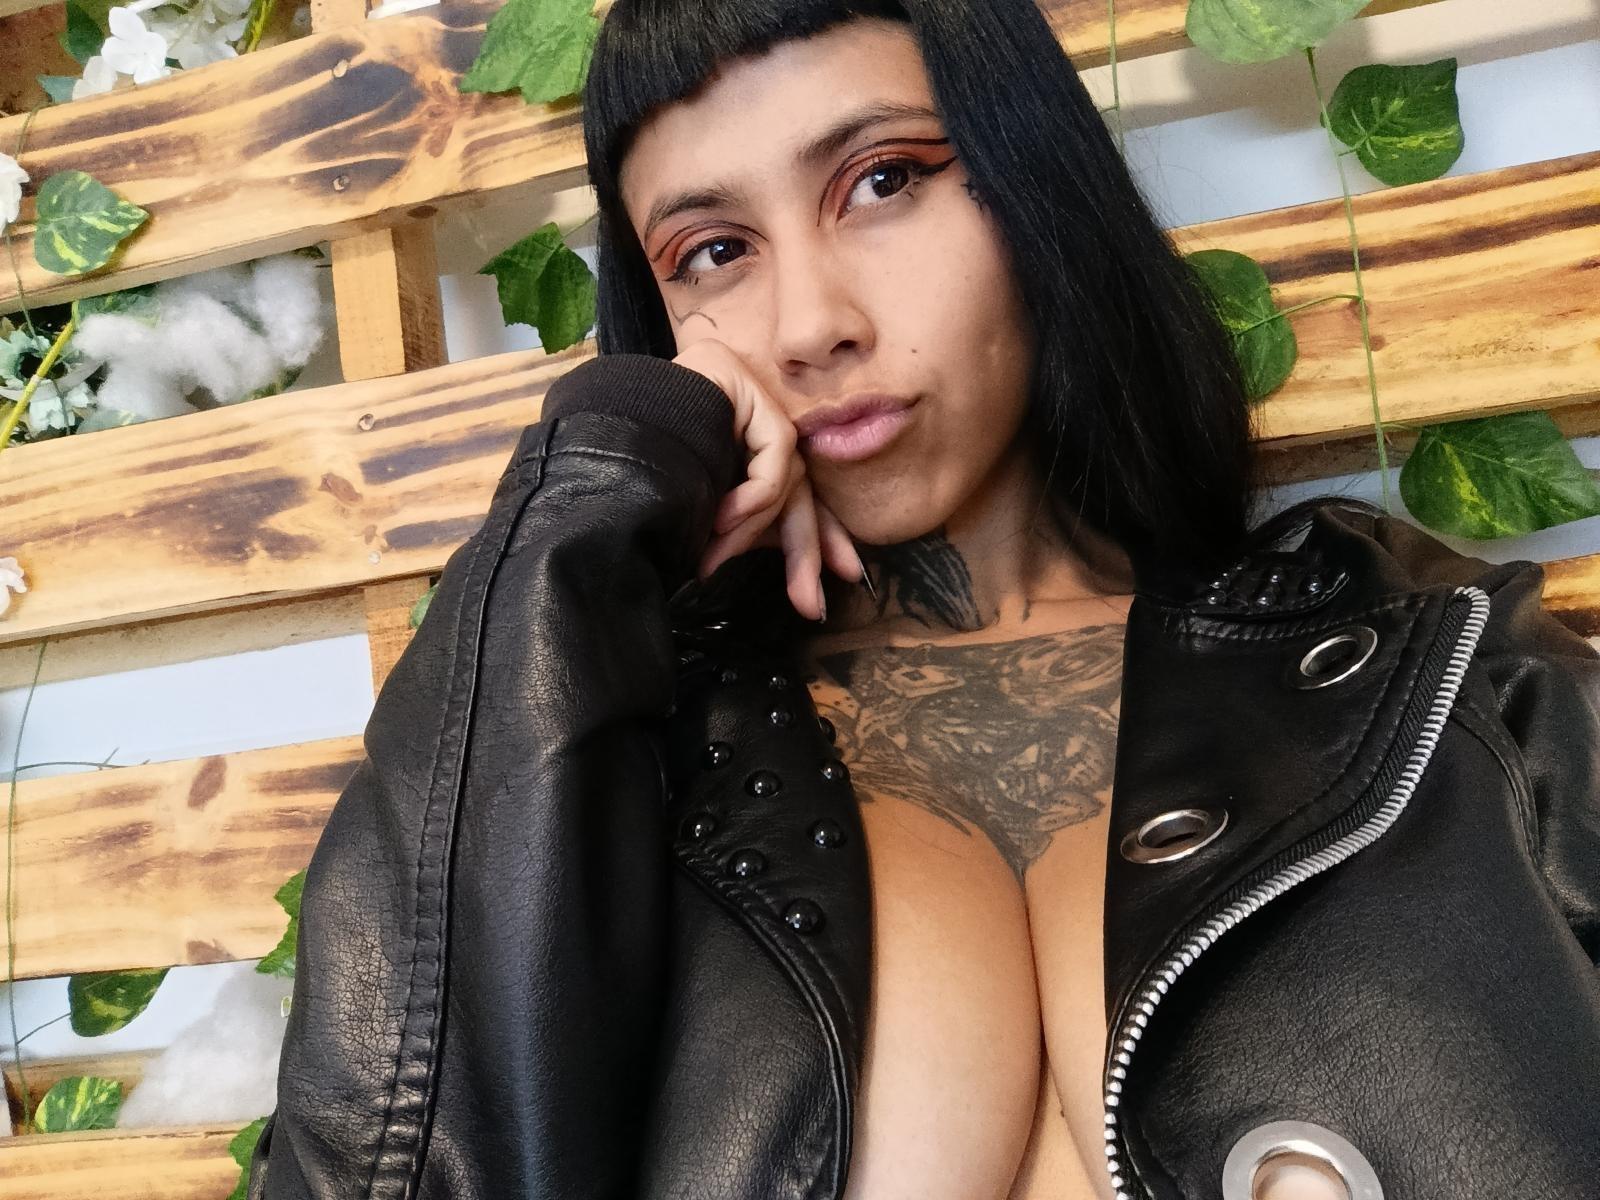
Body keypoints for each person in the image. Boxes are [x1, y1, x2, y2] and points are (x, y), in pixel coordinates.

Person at [247, 2, 1600, 1199]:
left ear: (1030, 181)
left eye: (883, 180)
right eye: (712, 252)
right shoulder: (609, 759)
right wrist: (612, 473)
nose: (810, 324)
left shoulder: (1429, 658)